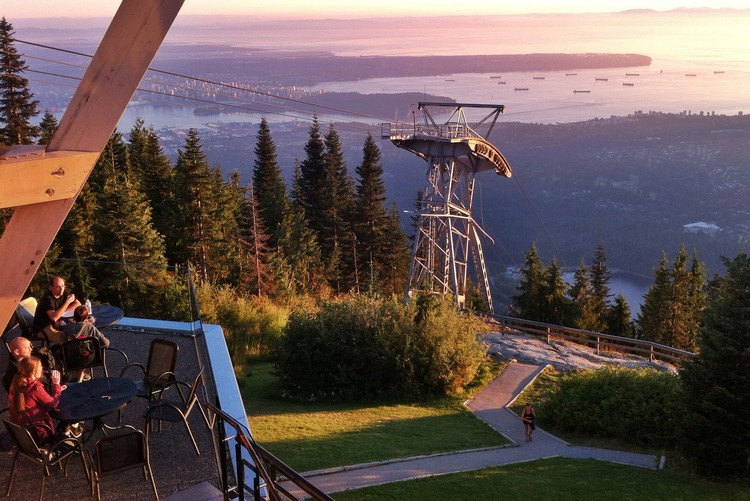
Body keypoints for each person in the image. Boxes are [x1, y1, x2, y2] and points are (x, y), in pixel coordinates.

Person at [8, 356, 66, 444]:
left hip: (22, 431)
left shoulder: (16, 381)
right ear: (33, 372)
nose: (42, 368)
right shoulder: (35, 387)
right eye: (40, 367)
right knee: (66, 414)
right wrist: (56, 384)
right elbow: (53, 404)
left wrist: (56, 390)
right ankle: (64, 438)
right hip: (40, 431)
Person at [33, 276, 81, 345]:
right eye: (58, 287)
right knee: (66, 338)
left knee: (77, 330)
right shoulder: (48, 299)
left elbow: (77, 304)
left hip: (58, 323)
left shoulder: (63, 292)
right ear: (51, 288)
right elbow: (54, 318)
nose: (61, 289)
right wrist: (67, 302)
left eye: (63, 286)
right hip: (43, 327)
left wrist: (61, 312)